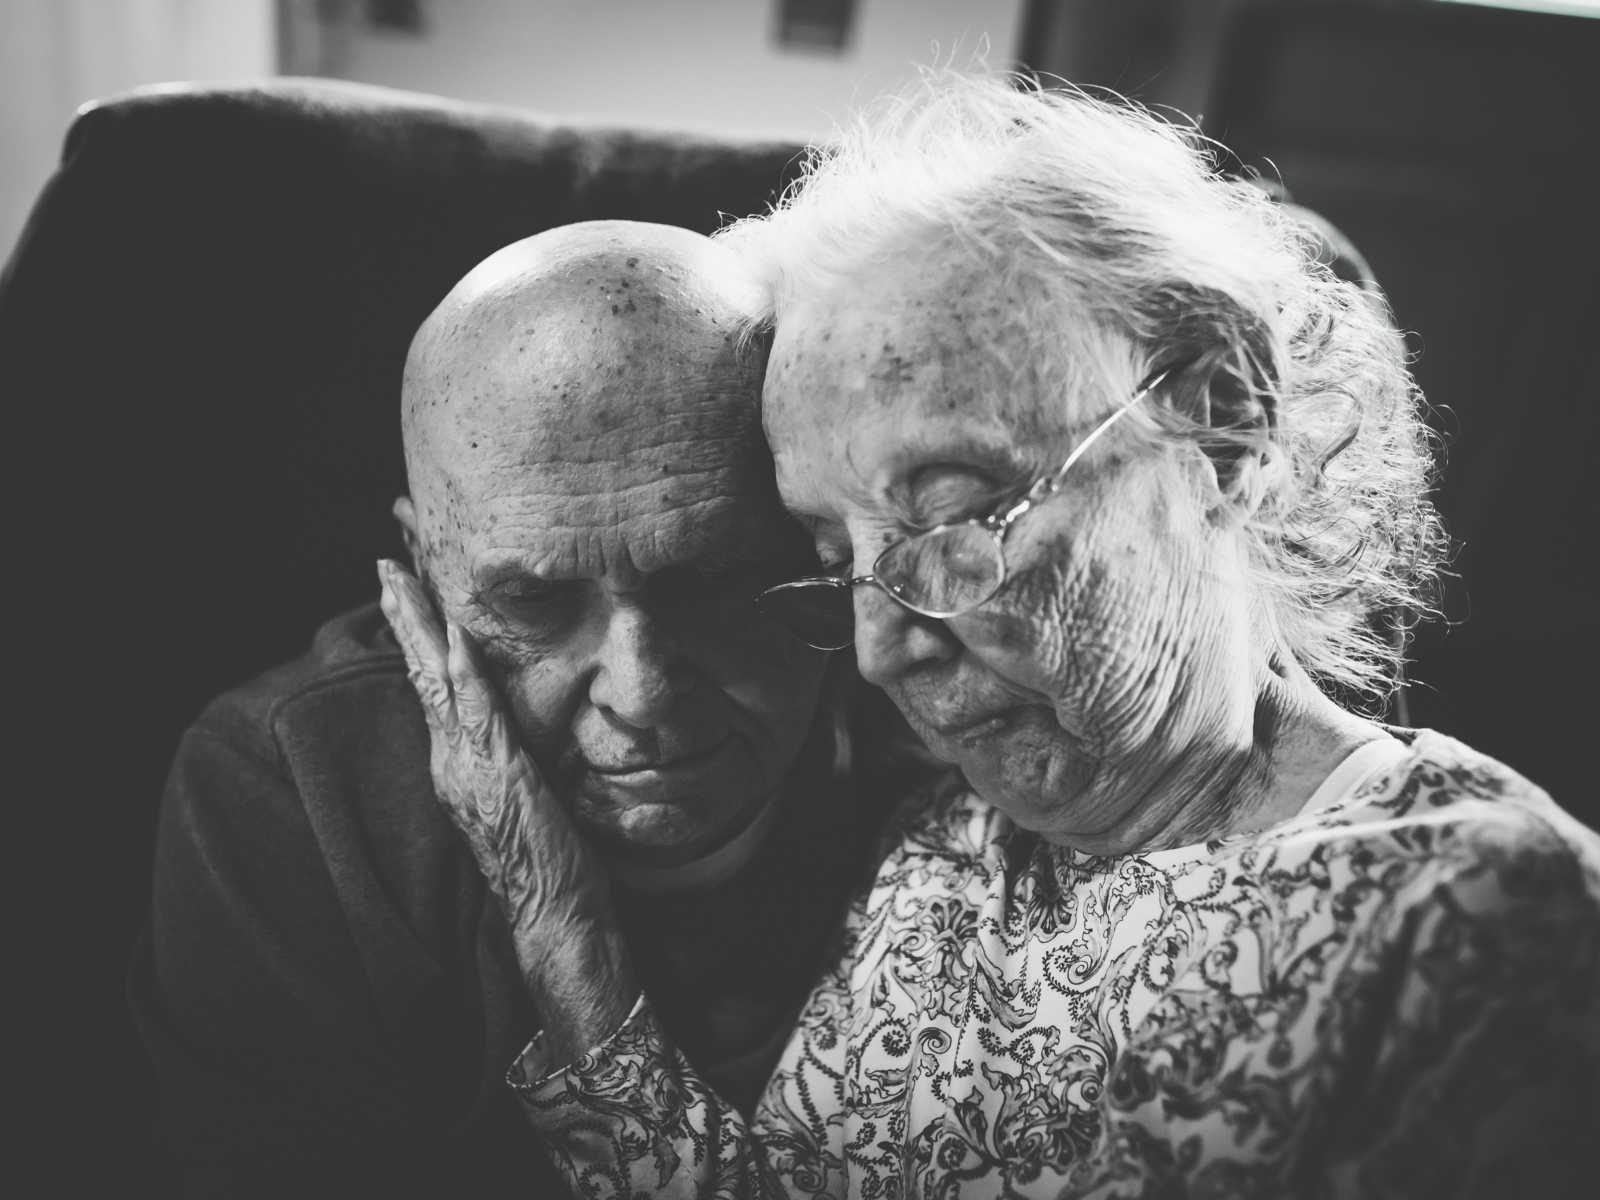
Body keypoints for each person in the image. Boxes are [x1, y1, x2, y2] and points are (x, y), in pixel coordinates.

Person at [393, 78, 1600, 1197]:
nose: (880, 648)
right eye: (829, 560)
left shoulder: (1478, 909)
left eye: (954, 511)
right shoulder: (928, 800)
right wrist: (559, 924)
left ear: (1221, 421)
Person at [130, 220, 895, 1196]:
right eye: (533, 602)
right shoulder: (287, 788)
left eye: (712, 580)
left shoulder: (946, 726)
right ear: (423, 566)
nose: (641, 693)